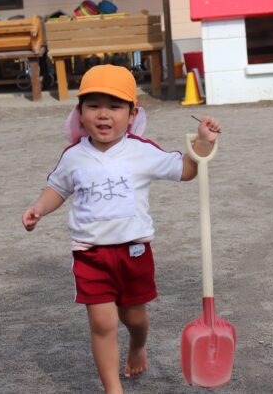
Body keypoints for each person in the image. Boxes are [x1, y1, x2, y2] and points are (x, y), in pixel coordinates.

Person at [21, 64, 221, 394]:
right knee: (103, 323)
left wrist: (202, 142)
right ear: (80, 112)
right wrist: (38, 208)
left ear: (131, 114)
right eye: (93, 106)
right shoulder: (74, 157)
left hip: (134, 253)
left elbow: (186, 170)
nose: (103, 114)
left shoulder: (141, 151)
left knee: (134, 318)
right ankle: (113, 389)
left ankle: (138, 344)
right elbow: (57, 188)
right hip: (90, 254)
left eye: (114, 106)